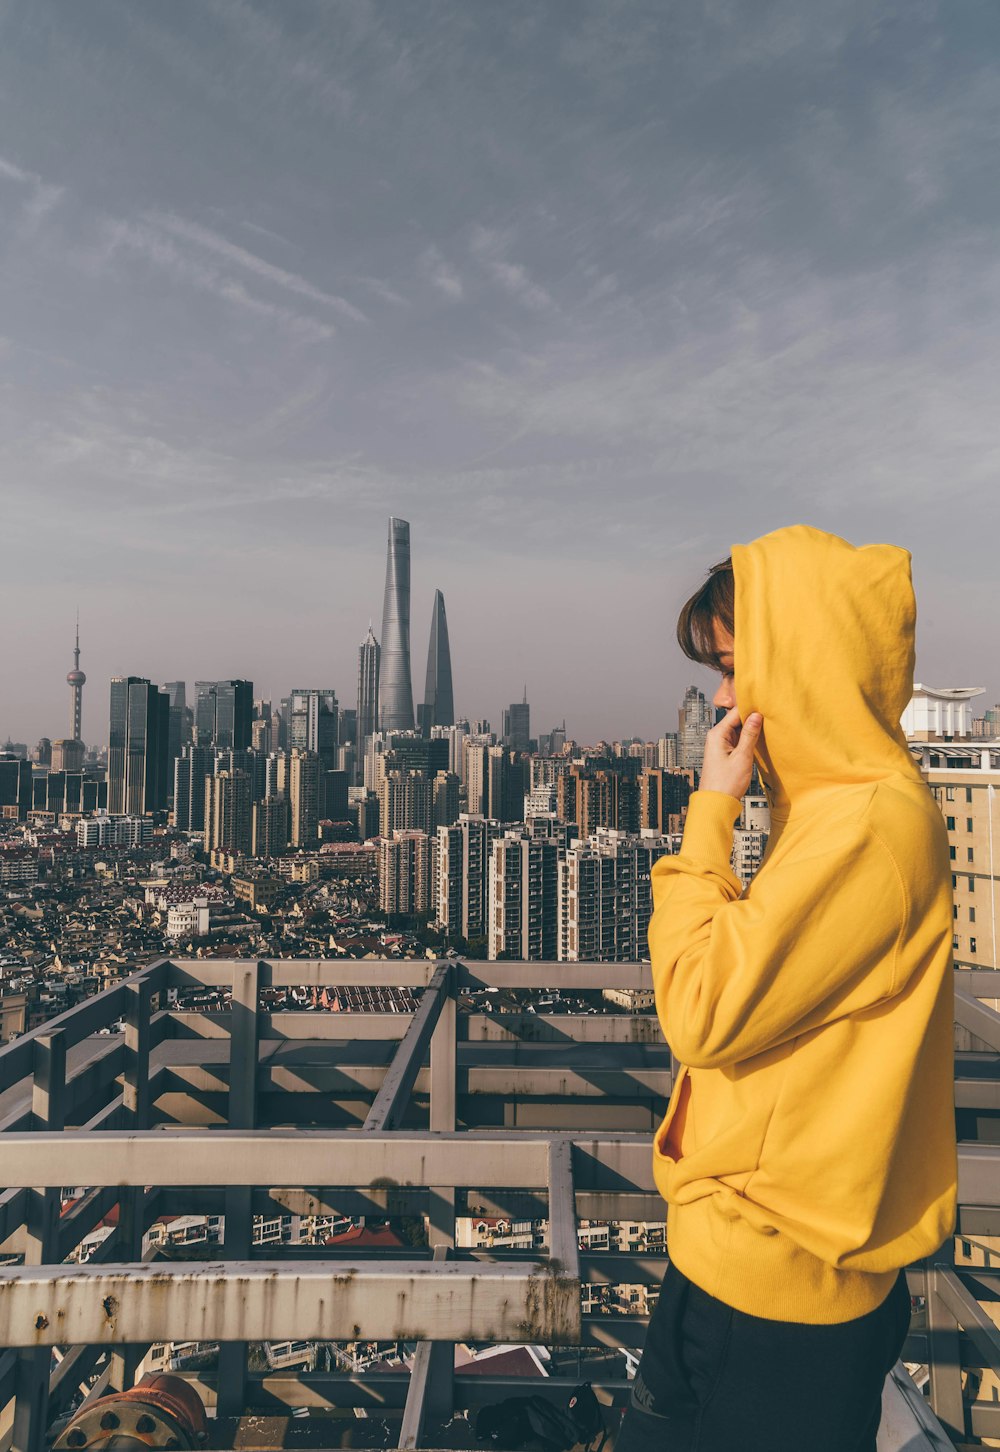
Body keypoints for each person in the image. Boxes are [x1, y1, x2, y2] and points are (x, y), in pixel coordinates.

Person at [616, 524, 957, 1452]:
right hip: (729, 1258)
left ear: (801, 665)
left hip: (787, 1303)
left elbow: (701, 1011)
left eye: (734, 666)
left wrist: (709, 814)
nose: (722, 697)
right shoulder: (828, 814)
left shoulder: (871, 827)